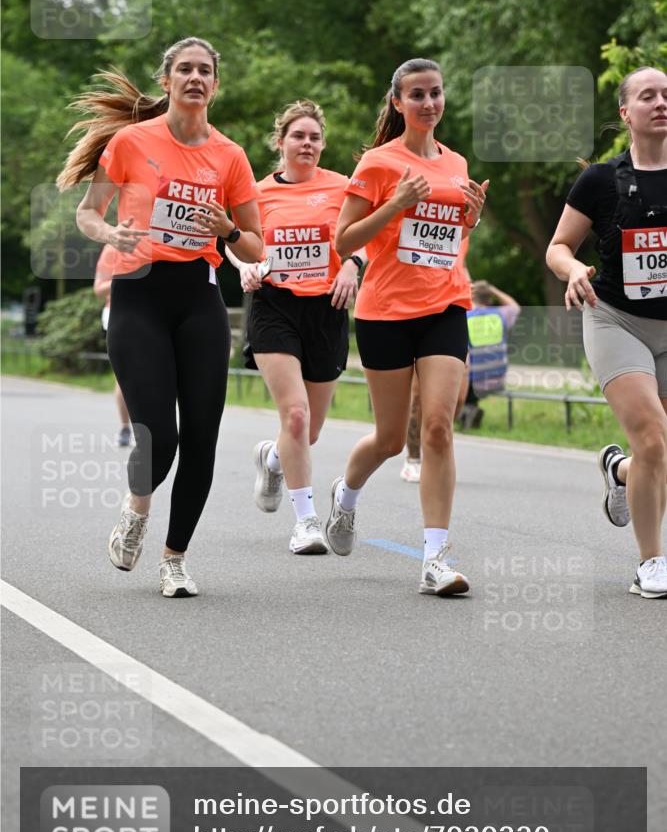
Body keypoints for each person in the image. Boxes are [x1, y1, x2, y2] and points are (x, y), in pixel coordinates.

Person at [57, 36, 263, 597]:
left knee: (202, 437)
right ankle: (136, 509)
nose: (195, 78)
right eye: (185, 70)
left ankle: (174, 559)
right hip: (138, 296)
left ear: (215, 86)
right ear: (167, 80)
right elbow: (87, 213)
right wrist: (111, 232)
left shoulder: (231, 156)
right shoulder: (130, 141)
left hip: (199, 299)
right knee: (160, 435)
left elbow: (254, 248)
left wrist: (226, 231)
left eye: (205, 71)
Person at [325, 58, 488, 596]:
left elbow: (449, 243)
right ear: (397, 103)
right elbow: (344, 242)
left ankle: (435, 558)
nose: (429, 103)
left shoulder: (457, 162)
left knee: (438, 427)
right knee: (392, 439)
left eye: (436, 93)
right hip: (385, 311)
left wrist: (470, 218)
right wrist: (395, 202)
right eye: (416, 95)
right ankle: (345, 496)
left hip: (445, 305)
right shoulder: (376, 163)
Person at [547, 66, 667, 599]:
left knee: (658, 453)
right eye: (648, 96)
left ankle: (620, 473)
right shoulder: (599, 180)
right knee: (653, 438)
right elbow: (558, 247)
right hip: (615, 318)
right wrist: (573, 271)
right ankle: (651, 562)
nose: (661, 102)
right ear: (626, 113)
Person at [237, 100, 363, 554]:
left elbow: (368, 239)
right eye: (297, 136)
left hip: (327, 307)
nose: (306, 143)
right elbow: (239, 242)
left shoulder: (343, 188)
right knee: (295, 415)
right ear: (281, 142)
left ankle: (271, 459)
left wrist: (352, 265)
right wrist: (244, 268)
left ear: (322, 144)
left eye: (313, 137)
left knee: (307, 432)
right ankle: (306, 522)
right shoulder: (257, 192)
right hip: (275, 305)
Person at [456, 279, 521, 429]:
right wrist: (492, 289)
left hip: (473, 383)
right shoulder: (500, 315)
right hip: (497, 379)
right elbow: (515, 307)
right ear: (489, 299)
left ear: (471, 297)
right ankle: (469, 410)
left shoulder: (464, 316)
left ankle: (467, 410)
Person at [93, 244, 132, 447]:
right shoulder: (112, 247)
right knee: (125, 375)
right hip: (118, 313)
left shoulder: (159, 239)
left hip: (154, 313)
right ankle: (125, 427)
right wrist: (128, 275)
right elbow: (99, 288)